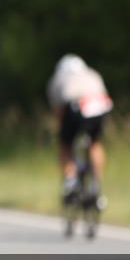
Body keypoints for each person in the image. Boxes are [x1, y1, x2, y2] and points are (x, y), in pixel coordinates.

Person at [47, 54, 113, 204]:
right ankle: (96, 184)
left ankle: (70, 180)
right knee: (95, 143)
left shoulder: (58, 78)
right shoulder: (92, 74)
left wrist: (63, 130)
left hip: (76, 106)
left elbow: (58, 110)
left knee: (66, 145)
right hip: (100, 106)